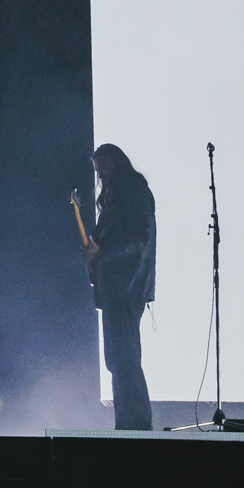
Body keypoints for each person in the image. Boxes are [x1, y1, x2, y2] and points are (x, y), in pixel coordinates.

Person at [82, 142, 156, 431]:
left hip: (127, 288)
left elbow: (140, 239)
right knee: (117, 360)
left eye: (102, 169)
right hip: (115, 288)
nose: (100, 176)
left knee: (124, 360)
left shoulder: (135, 191)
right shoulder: (116, 197)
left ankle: (136, 425)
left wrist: (101, 253)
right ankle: (127, 424)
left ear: (115, 163)